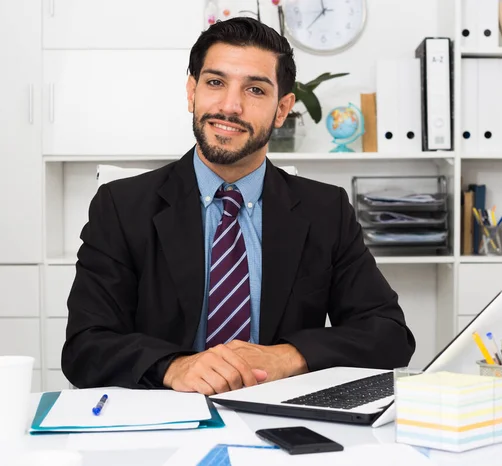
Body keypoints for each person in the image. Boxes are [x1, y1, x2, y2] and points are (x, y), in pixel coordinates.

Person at [61, 17, 415, 395]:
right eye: (215, 83)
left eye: (256, 90)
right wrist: (173, 366)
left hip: (281, 415)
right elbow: (86, 347)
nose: (230, 106)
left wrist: (290, 356)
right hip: (164, 416)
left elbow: (389, 335)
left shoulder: (326, 210)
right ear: (191, 92)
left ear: (282, 109)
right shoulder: (121, 206)